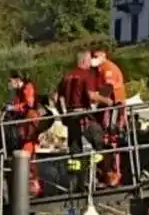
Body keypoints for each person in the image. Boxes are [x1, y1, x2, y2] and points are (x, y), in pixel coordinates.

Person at [53, 50, 114, 184]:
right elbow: (91, 95)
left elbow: (55, 96)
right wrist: (107, 101)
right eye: (89, 60)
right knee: (99, 138)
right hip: (82, 116)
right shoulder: (85, 75)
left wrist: (62, 114)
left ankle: (78, 183)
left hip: (70, 117)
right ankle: (103, 173)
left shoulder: (67, 75)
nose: (90, 63)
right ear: (84, 61)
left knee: (75, 151)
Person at [91, 48, 127, 187]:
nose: (93, 59)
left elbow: (108, 87)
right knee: (105, 140)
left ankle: (114, 175)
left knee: (112, 139)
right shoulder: (99, 70)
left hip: (114, 105)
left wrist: (96, 98)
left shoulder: (108, 68)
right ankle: (107, 174)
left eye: (95, 56)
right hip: (108, 107)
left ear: (102, 56)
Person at [5, 71, 42, 196]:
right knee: (27, 157)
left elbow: (29, 104)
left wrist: (15, 108)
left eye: (11, 81)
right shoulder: (19, 92)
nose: (10, 84)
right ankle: (29, 187)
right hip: (23, 128)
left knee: (28, 157)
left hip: (29, 128)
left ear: (16, 80)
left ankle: (34, 188)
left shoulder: (27, 88)